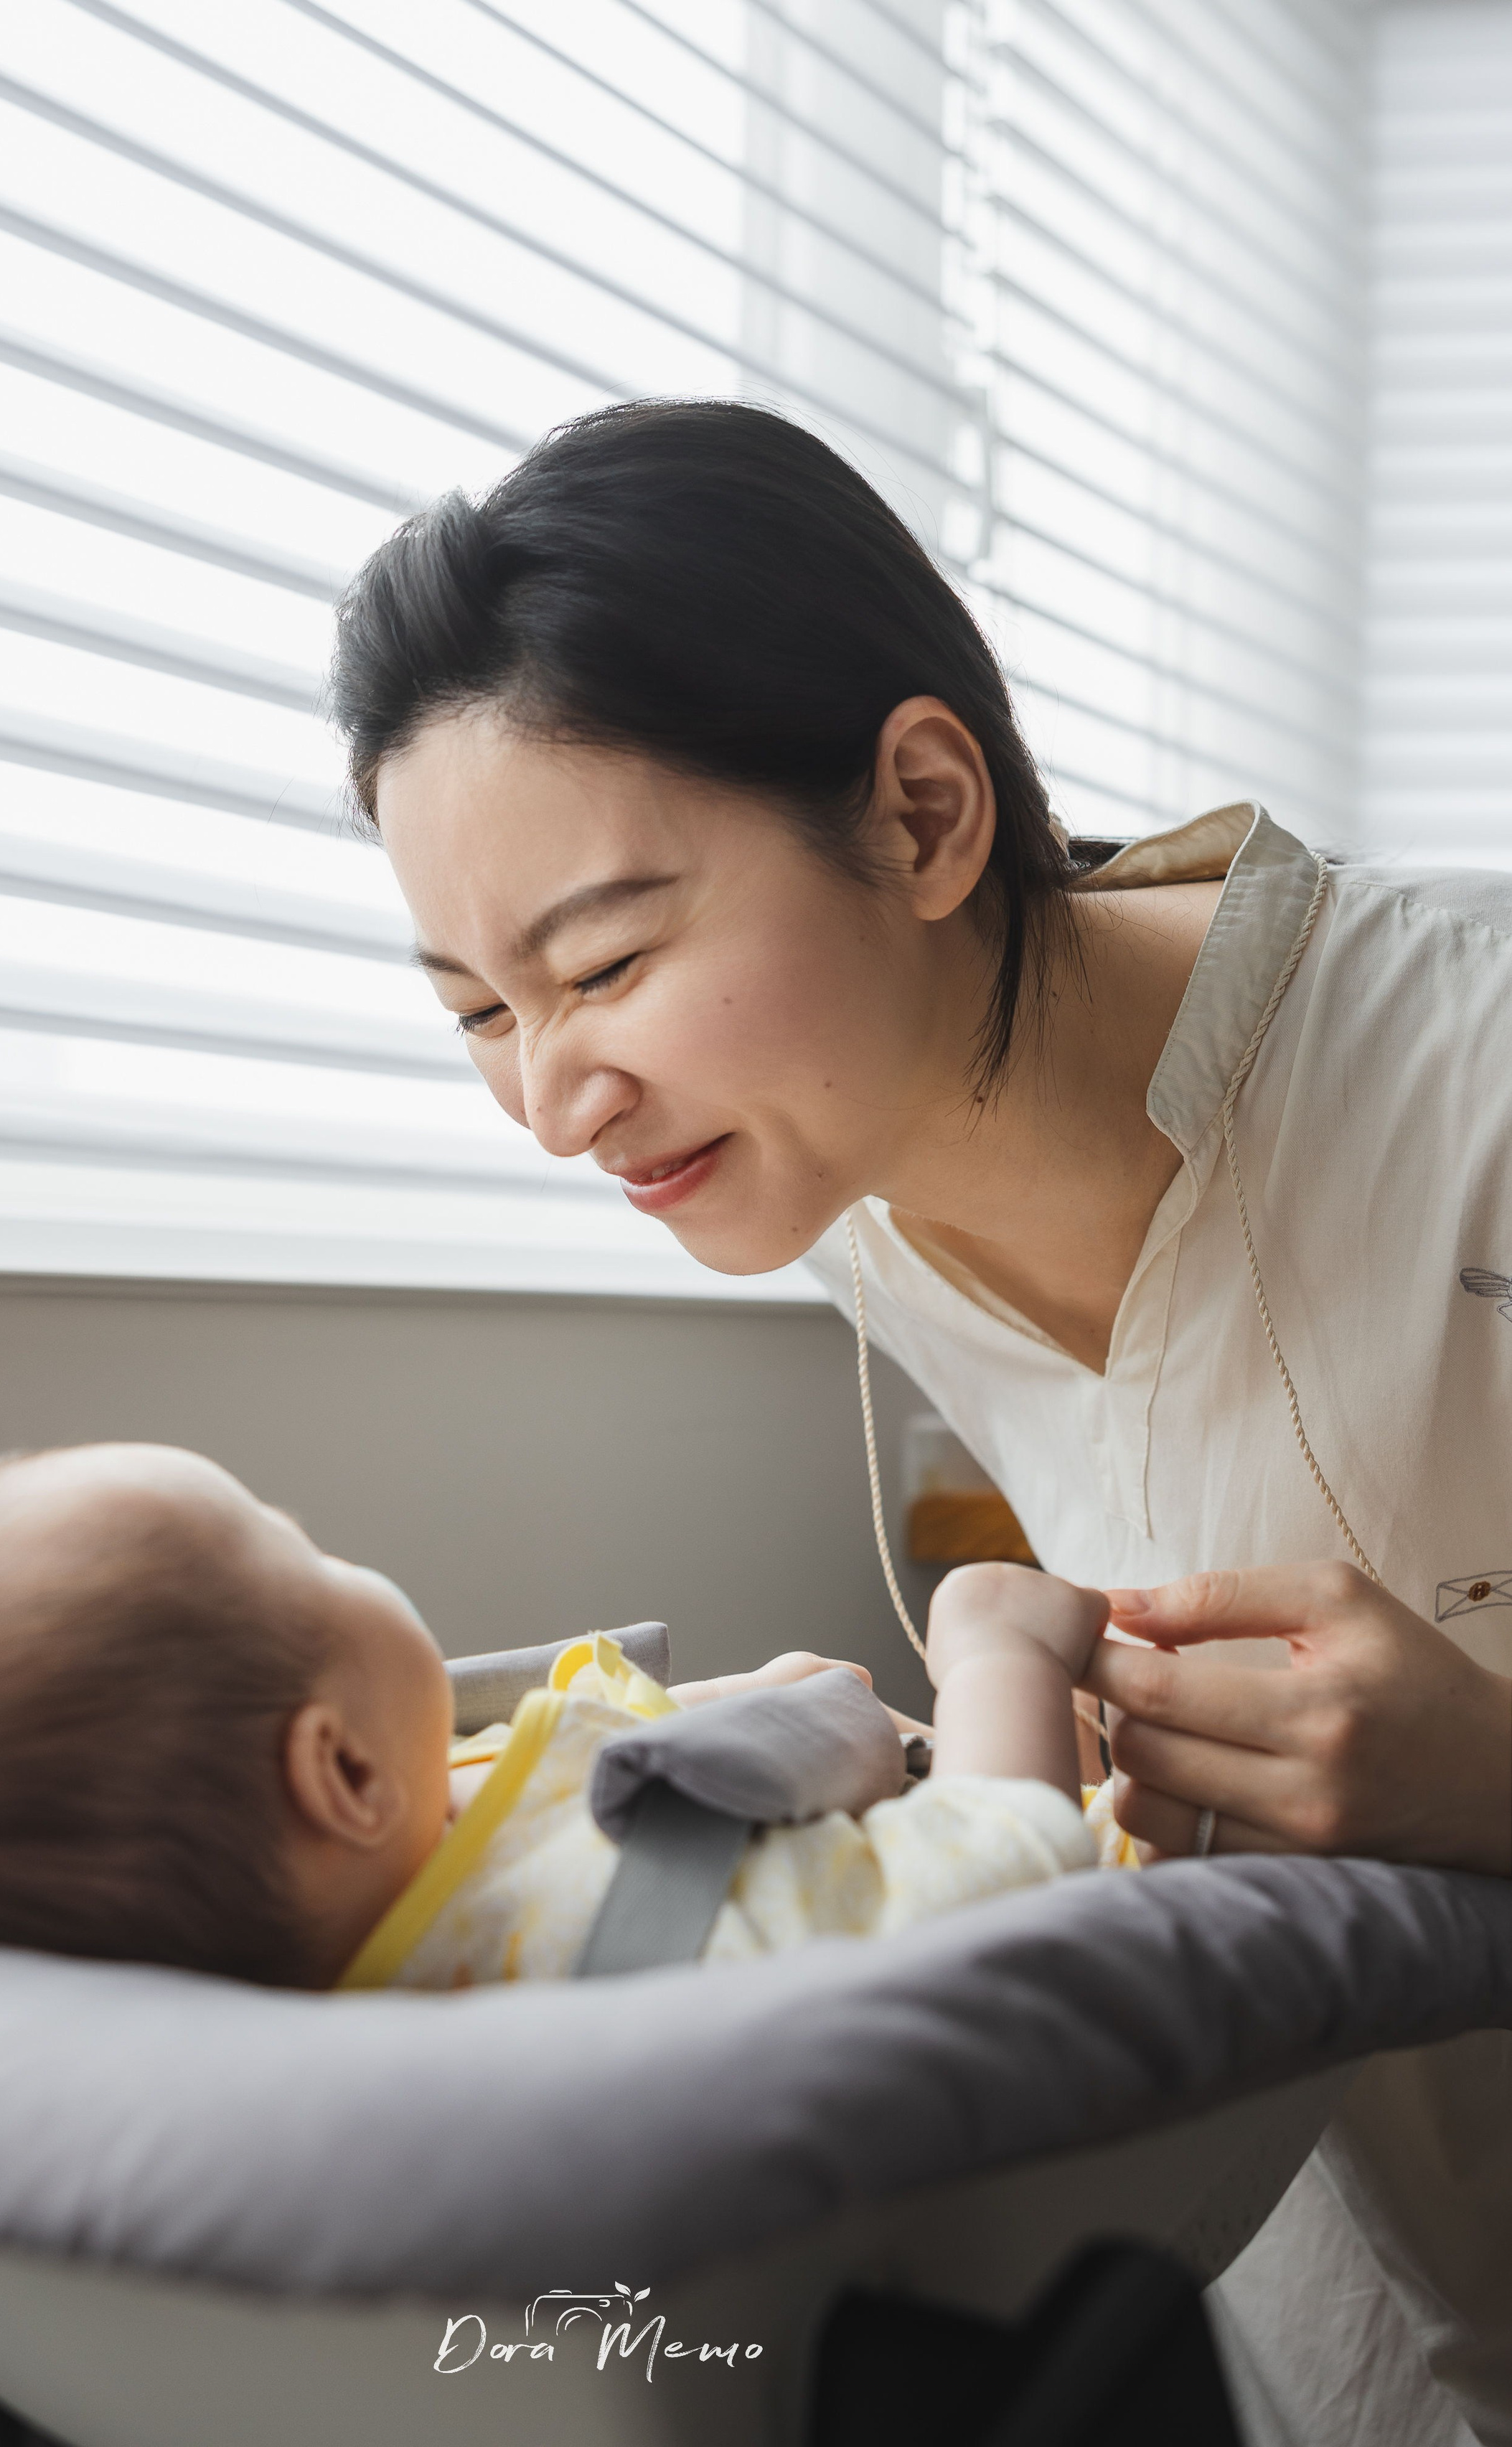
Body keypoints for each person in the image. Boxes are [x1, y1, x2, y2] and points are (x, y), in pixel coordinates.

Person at [329, 399, 1512, 2443]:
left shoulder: (1469, 1071)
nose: (551, 1102)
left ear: (926, 814)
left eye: (605, 960)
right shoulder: (843, 1209)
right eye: (479, 1014)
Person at [0, 1443, 1114, 1992]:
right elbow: (993, 1890)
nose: (341, 1559)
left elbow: (528, 1768)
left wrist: (747, 1712)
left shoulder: (383, 1854)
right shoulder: (598, 1930)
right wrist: (1001, 1663)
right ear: (335, 1768)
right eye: (304, 1549)